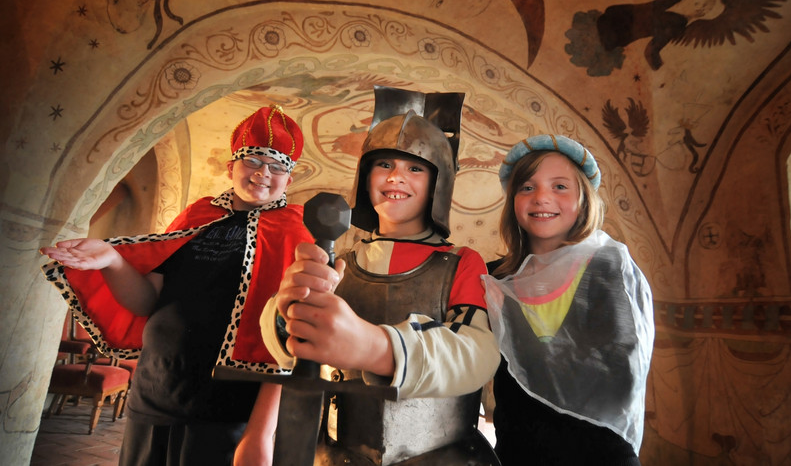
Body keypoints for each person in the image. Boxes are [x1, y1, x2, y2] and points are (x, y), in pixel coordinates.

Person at [40, 105, 313, 466]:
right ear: (231, 167)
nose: (264, 172)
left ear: (288, 181)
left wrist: (262, 431)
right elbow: (146, 301)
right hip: (155, 388)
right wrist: (112, 260)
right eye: (254, 160)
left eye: (278, 166)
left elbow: (291, 340)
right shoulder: (195, 216)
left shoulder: (297, 233)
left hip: (228, 405)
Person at [260, 86, 501, 464]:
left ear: (438, 183)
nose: (395, 177)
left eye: (415, 168)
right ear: (365, 176)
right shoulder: (337, 262)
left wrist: (378, 347)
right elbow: (289, 355)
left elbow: (476, 354)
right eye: (384, 164)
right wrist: (286, 310)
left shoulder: (462, 263)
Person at [483, 134, 655, 465]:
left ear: (583, 199)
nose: (541, 198)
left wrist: (517, 329)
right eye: (527, 187)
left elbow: (620, 374)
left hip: (597, 455)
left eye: (560, 186)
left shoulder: (607, 268)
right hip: (516, 454)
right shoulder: (496, 278)